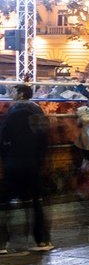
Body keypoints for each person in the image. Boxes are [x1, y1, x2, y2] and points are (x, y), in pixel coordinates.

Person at [0, 83, 54, 254]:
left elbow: (4, 137)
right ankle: (42, 240)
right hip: (34, 162)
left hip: (15, 160)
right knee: (36, 200)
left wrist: (6, 154)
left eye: (14, 91)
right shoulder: (38, 111)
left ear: (21, 94)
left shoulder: (14, 113)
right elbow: (44, 139)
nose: (11, 93)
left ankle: (3, 242)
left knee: (4, 201)